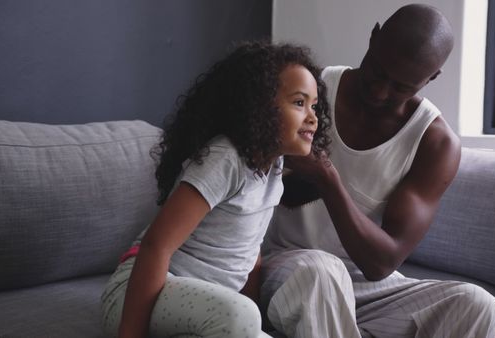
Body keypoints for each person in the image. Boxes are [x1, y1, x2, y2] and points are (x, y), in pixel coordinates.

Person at [261, 4, 495, 338]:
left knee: (477, 305)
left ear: (431, 78)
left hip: (364, 285)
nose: (379, 92)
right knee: (320, 271)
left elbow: (381, 263)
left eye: (402, 86)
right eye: (377, 71)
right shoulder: (310, 93)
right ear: (373, 37)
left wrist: (328, 178)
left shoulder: (434, 143)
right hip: (289, 267)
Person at [99, 41, 331, 338]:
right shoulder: (226, 158)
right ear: (260, 107)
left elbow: (250, 256)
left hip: (205, 313)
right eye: (299, 103)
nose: (312, 116)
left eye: (314, 105)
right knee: (241, 315)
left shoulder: (274, 168)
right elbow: (157, 245)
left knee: (247, 320)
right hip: (137, 297)